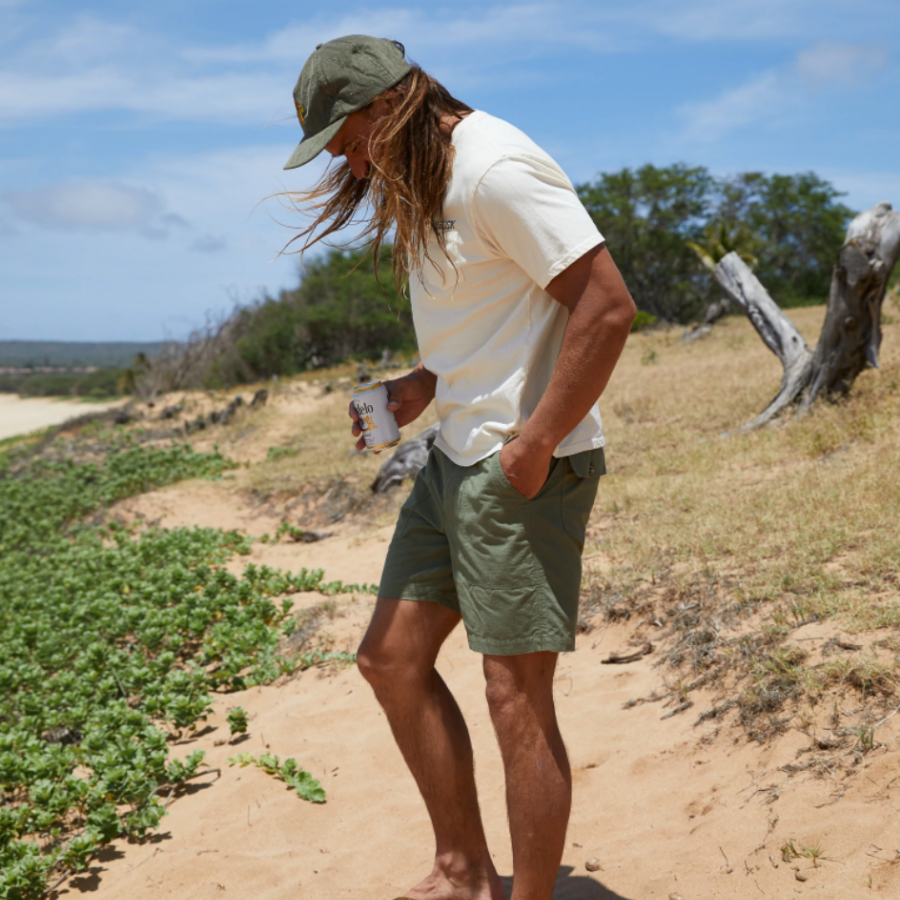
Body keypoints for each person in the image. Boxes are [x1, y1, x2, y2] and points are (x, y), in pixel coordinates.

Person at [282, 34, 636, 900]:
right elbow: (493, 321)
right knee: (389, 661)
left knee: (515, 697)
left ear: (387, 104)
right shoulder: (425, 178)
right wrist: (419, 386)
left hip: (519, 472)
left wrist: (535, 442)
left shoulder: (495, 168)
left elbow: (607, 305)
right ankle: (463, 871)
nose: (340, 156)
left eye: (343, 133)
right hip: (452, 463)